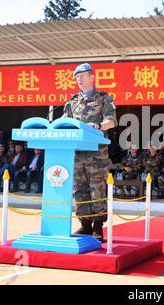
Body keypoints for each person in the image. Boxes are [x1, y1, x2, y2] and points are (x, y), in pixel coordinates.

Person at [62, 63, 117, 241]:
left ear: (92, 77)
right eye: (76, 76)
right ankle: (85, 225)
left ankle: (98, 227)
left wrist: (100, 126)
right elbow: (64, 122)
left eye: (83, 75)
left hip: (97, 157)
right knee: (80, 191)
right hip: (76, 155)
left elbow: (112, 121)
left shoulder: (103, 98)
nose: (79, 79)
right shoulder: (72, 101)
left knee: (97, 192)